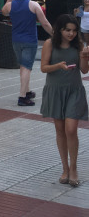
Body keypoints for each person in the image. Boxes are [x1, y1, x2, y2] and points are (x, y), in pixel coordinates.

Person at [39, 15, 89, 187]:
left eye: (74, 31)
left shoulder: (78, 45)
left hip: (74, 91)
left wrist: (85, 56)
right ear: (59, 29)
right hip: (55, 91)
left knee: (71, 129)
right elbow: (43, 67)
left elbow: (84, 70)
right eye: (67, 30)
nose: (71, 34)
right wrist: (59, 66)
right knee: (60, 130)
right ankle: (65, 169)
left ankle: (73, 168)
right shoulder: (49, 44)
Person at [1, 0, 53, 106]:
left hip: (16, 40)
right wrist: (54, 34)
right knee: (26, 67)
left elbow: (3, 12)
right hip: (29, 40)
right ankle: (22, 96)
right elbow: (44, 23)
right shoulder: (33, 5)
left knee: (23, 66)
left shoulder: (10, 5)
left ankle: (27, 91)